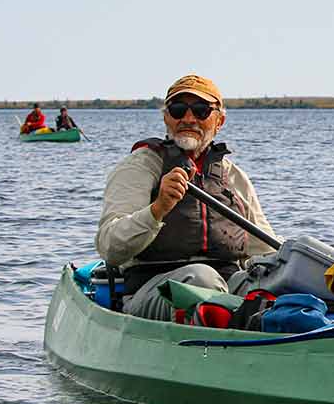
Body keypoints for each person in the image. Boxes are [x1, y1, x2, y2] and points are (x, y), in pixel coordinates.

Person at [95, 74, 277, 320]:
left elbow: (265, 250)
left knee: (284, 281)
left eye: (201, 110)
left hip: (227, 284)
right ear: (166, 117)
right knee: (202, 278)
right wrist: (157, 209)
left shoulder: (233, 177)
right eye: (178, 109)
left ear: (219, 121)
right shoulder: (139, 167)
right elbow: (110, 247)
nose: (188, 118)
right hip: (155, 290)